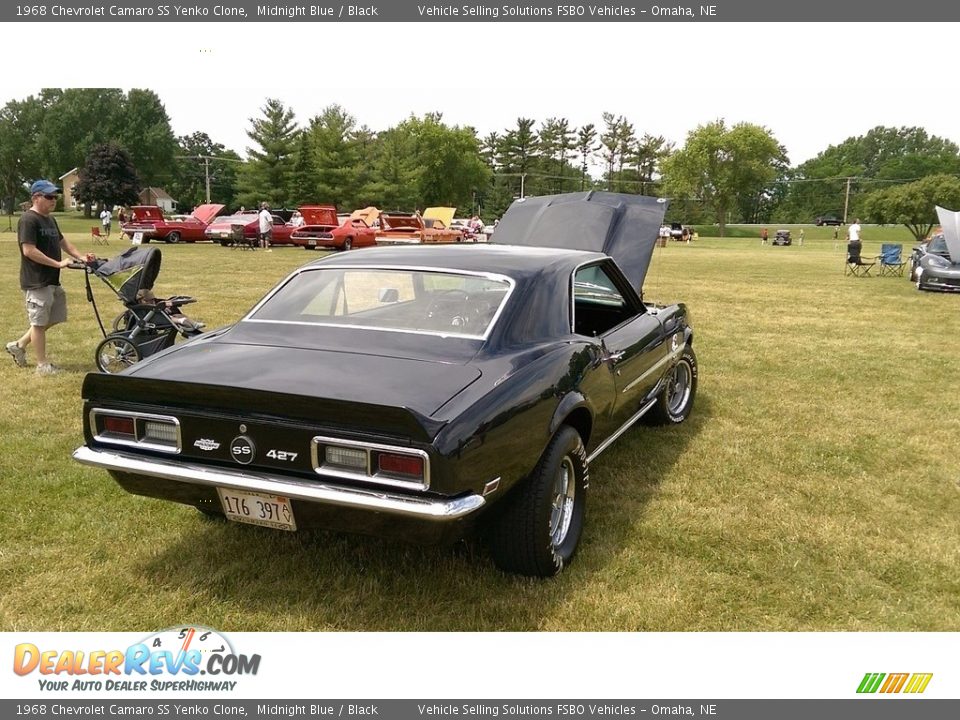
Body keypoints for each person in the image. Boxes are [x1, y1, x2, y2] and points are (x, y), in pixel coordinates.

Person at [6, 180, 90, 375]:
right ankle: (42, 365)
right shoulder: (28, 219)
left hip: (52, 280)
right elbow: (29, 251)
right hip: (37, 280)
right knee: (38, 323)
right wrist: (58, 264)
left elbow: (63, 242)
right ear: (36, 197)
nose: (54, 200)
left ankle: (19, 344)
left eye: (55, 197)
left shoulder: (50, 219)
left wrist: (81, 257)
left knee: (54, 317)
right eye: (49, 196)